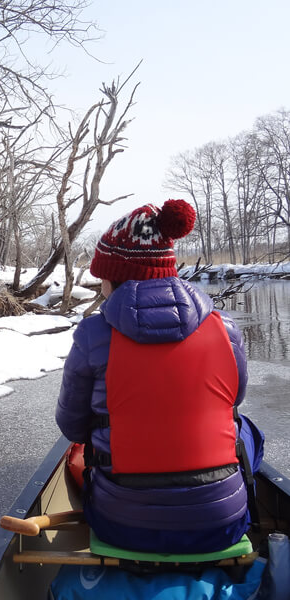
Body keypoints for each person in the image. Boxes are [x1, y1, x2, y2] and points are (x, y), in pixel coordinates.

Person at [55, 199, 265, 554]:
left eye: (102, 276)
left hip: (121, 525)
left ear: (116, 276)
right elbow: (234, 400)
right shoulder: (225, 328)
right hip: (223, 523)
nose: (100, 285)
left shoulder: (93, 334)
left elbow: (73, 427)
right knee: (245, 429)